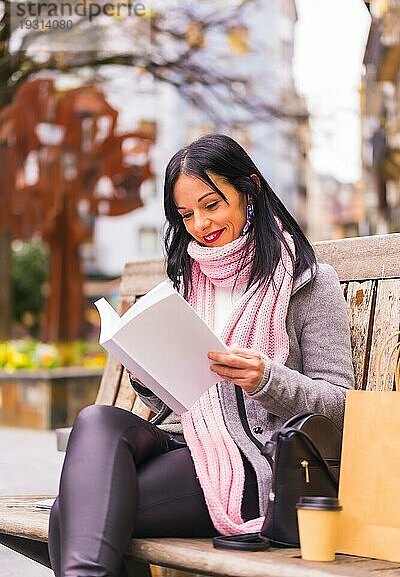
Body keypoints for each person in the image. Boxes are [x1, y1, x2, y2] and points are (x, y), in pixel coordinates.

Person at [48, 134, 354, 576]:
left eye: (211, 205)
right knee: (97, 420)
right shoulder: (187, 283)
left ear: (248, 191)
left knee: (70, 514)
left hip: (252, 458)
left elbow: (341, 406)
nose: (199, 225)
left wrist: (266, 378)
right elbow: (178, 397)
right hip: (182, 437)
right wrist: (146, 372)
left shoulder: (308, 283)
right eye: (186, 214)